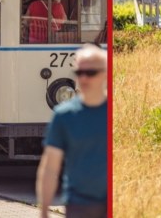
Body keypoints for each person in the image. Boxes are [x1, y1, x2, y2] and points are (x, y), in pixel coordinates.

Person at [37, 45, 107, 218]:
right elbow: (50, 167)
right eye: (78, 73)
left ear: (105, 73)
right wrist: (44, 211)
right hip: (79, 205)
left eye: (90, 73)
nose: (83, 78)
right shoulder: (64, 116)